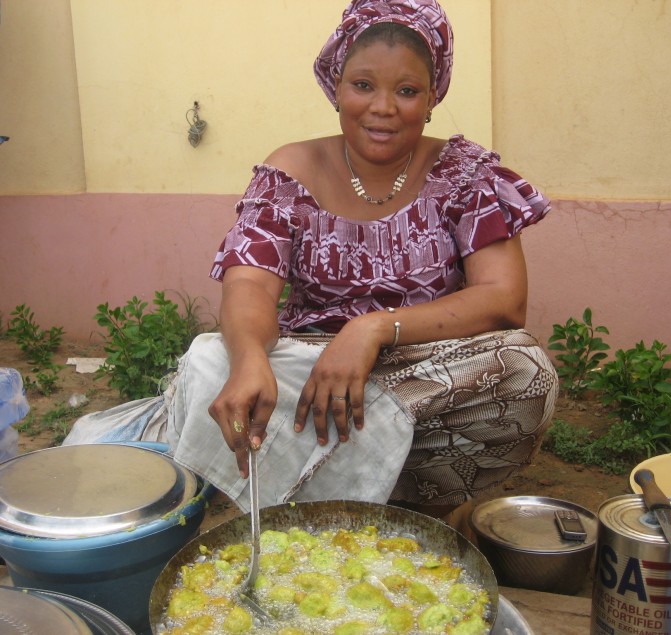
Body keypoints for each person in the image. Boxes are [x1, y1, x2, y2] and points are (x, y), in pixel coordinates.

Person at [66, 0, 558, 519]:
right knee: (212, 365)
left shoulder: (462, 172)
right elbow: (251, 285)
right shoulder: (292, 170)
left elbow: (504, 299)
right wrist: (252, 357)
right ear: (336, 86)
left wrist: (370, 331)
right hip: (309, 370)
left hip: (423, 370)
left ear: (432, 96)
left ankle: (370, 489)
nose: (383, 107)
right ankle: (349, 492)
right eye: (363, 85)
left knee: (526, 374)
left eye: (407, 90)